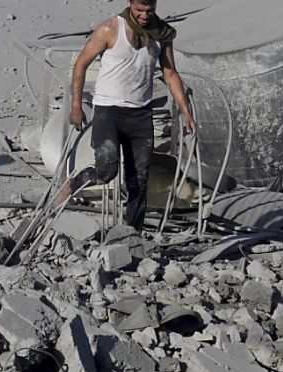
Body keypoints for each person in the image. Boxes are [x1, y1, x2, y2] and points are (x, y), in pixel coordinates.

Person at [58, 0, 196, 230]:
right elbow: (81, 64)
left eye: (149, 10)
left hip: (140, 115)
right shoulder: (110, 29)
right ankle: (73, 184)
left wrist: (186, 112)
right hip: (108, 111)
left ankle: (133, 234)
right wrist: (75, 106)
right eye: (139, 9)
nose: (144, 15)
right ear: (129, 3)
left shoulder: (162, 34)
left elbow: (170, 74)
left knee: (139, 182)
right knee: (106, 170)